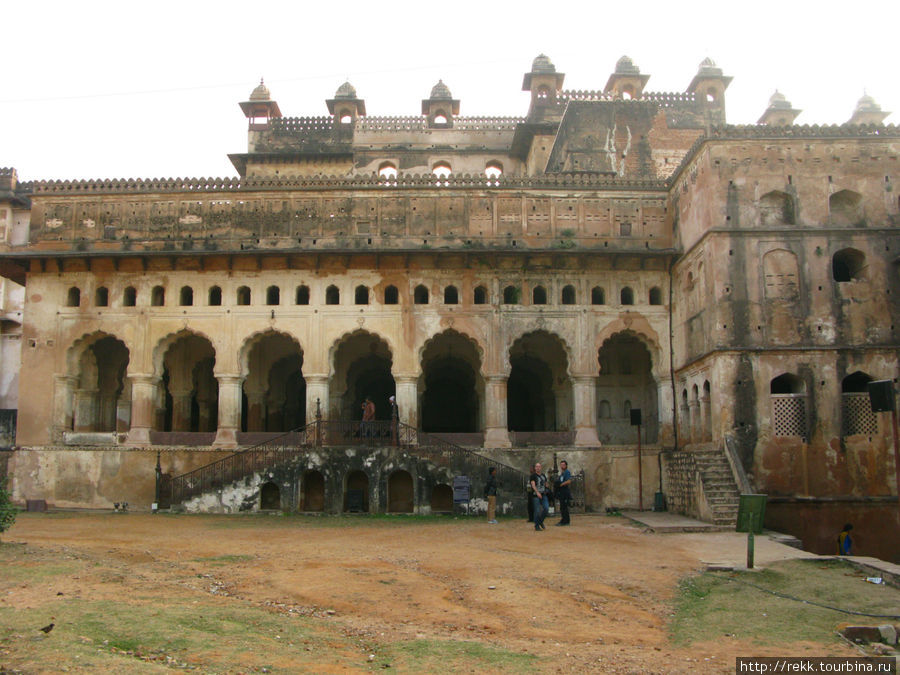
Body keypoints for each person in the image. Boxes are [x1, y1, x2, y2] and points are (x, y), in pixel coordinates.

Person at [530, 462, 549, 531]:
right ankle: (536, 525)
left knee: (546, 508)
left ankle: (540, 521)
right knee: (537, 510)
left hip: (543, 494)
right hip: (536, 495)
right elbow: (533, 485)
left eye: (539, 466)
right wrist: (537, 492)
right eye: (536, 467)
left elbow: (546, 483)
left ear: (541, 468)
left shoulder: (543, 475)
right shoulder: (533, 476)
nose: (538, 468)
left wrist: (547, 487)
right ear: (535, 468)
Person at [556, 459, 573, 526]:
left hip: (565, 491)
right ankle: (564, 520)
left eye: (563, 465)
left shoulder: (567, 472)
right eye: (561, 465)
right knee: (562, 507)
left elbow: (569, 481)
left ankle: (566, 521)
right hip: (561, 492)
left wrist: (561, 484)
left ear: (566, 465)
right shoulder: (562, 473)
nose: (562, 466)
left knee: (564, 507)